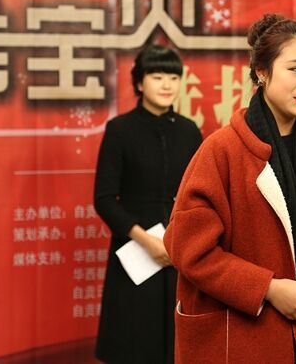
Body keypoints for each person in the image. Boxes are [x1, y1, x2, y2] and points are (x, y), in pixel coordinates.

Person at [164, 14, 296, 363]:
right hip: (239, 338)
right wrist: (267, 288)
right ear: (262, 72)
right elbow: (188, 247)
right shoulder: (222, 150)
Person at [94, 44, 202, 363]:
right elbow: (104, 199)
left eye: (173, 77)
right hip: (135, 250)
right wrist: (146, 241)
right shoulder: (120, 130)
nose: (167, 85)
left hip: (180, 252)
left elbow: (200, 194)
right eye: (157, 77)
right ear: (140, 83)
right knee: (134, 342)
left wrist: (182, 242)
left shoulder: (189, 131)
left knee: (179, 344)